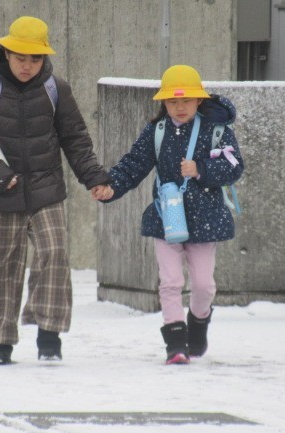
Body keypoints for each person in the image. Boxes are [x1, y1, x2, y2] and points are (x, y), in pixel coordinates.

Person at [0, 16, 110, 365]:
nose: (27, 65)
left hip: (46, 190)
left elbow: (75, 139)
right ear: (7, 53)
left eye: (35, 58)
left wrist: (94, 178)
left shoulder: (56, 88)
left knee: (54, 254)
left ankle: (48, 336)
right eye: (20, 57)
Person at [93, 65, 244, 365]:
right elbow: (134, 164)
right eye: (173, 101)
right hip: (167, 218)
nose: (180, 106)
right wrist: (112, 187)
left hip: (206, 220)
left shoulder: (216, 131)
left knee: (204, 285)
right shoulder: (157, 131)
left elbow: (234, 166)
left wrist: (201, 169)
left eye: (186, 100)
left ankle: (198, 324)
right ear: (164, 102)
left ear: (199, 100)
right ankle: (175, 344)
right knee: (171, 281)